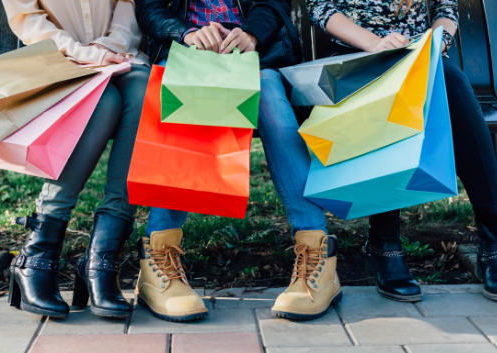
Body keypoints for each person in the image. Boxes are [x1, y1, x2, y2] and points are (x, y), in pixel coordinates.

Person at [135, 0, 342, 322]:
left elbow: (273, 4)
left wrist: (251, 35)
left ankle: (317, 253)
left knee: (271, 96)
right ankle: (158, 259)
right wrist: (186, 33)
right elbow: (150, 8)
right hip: (184, 53)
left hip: (252, 56)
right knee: (186, 96)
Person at [307, 0, 497, 302]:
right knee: (386, 93)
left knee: (452, 83)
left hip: (418, 57)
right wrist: (376, 44)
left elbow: (446, 9)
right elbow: (320, 7)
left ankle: (492, 238)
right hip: (355, 57)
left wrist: (437, 42)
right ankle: (384, 243)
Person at [2, 0, 150, 319]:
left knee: (143, 94)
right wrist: (87, 54)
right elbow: (29, 21)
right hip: (54, 63)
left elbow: (127, 5)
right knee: (104, 102)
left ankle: (101, 258)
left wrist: (107, 47)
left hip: (117, 56)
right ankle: (37, 254)